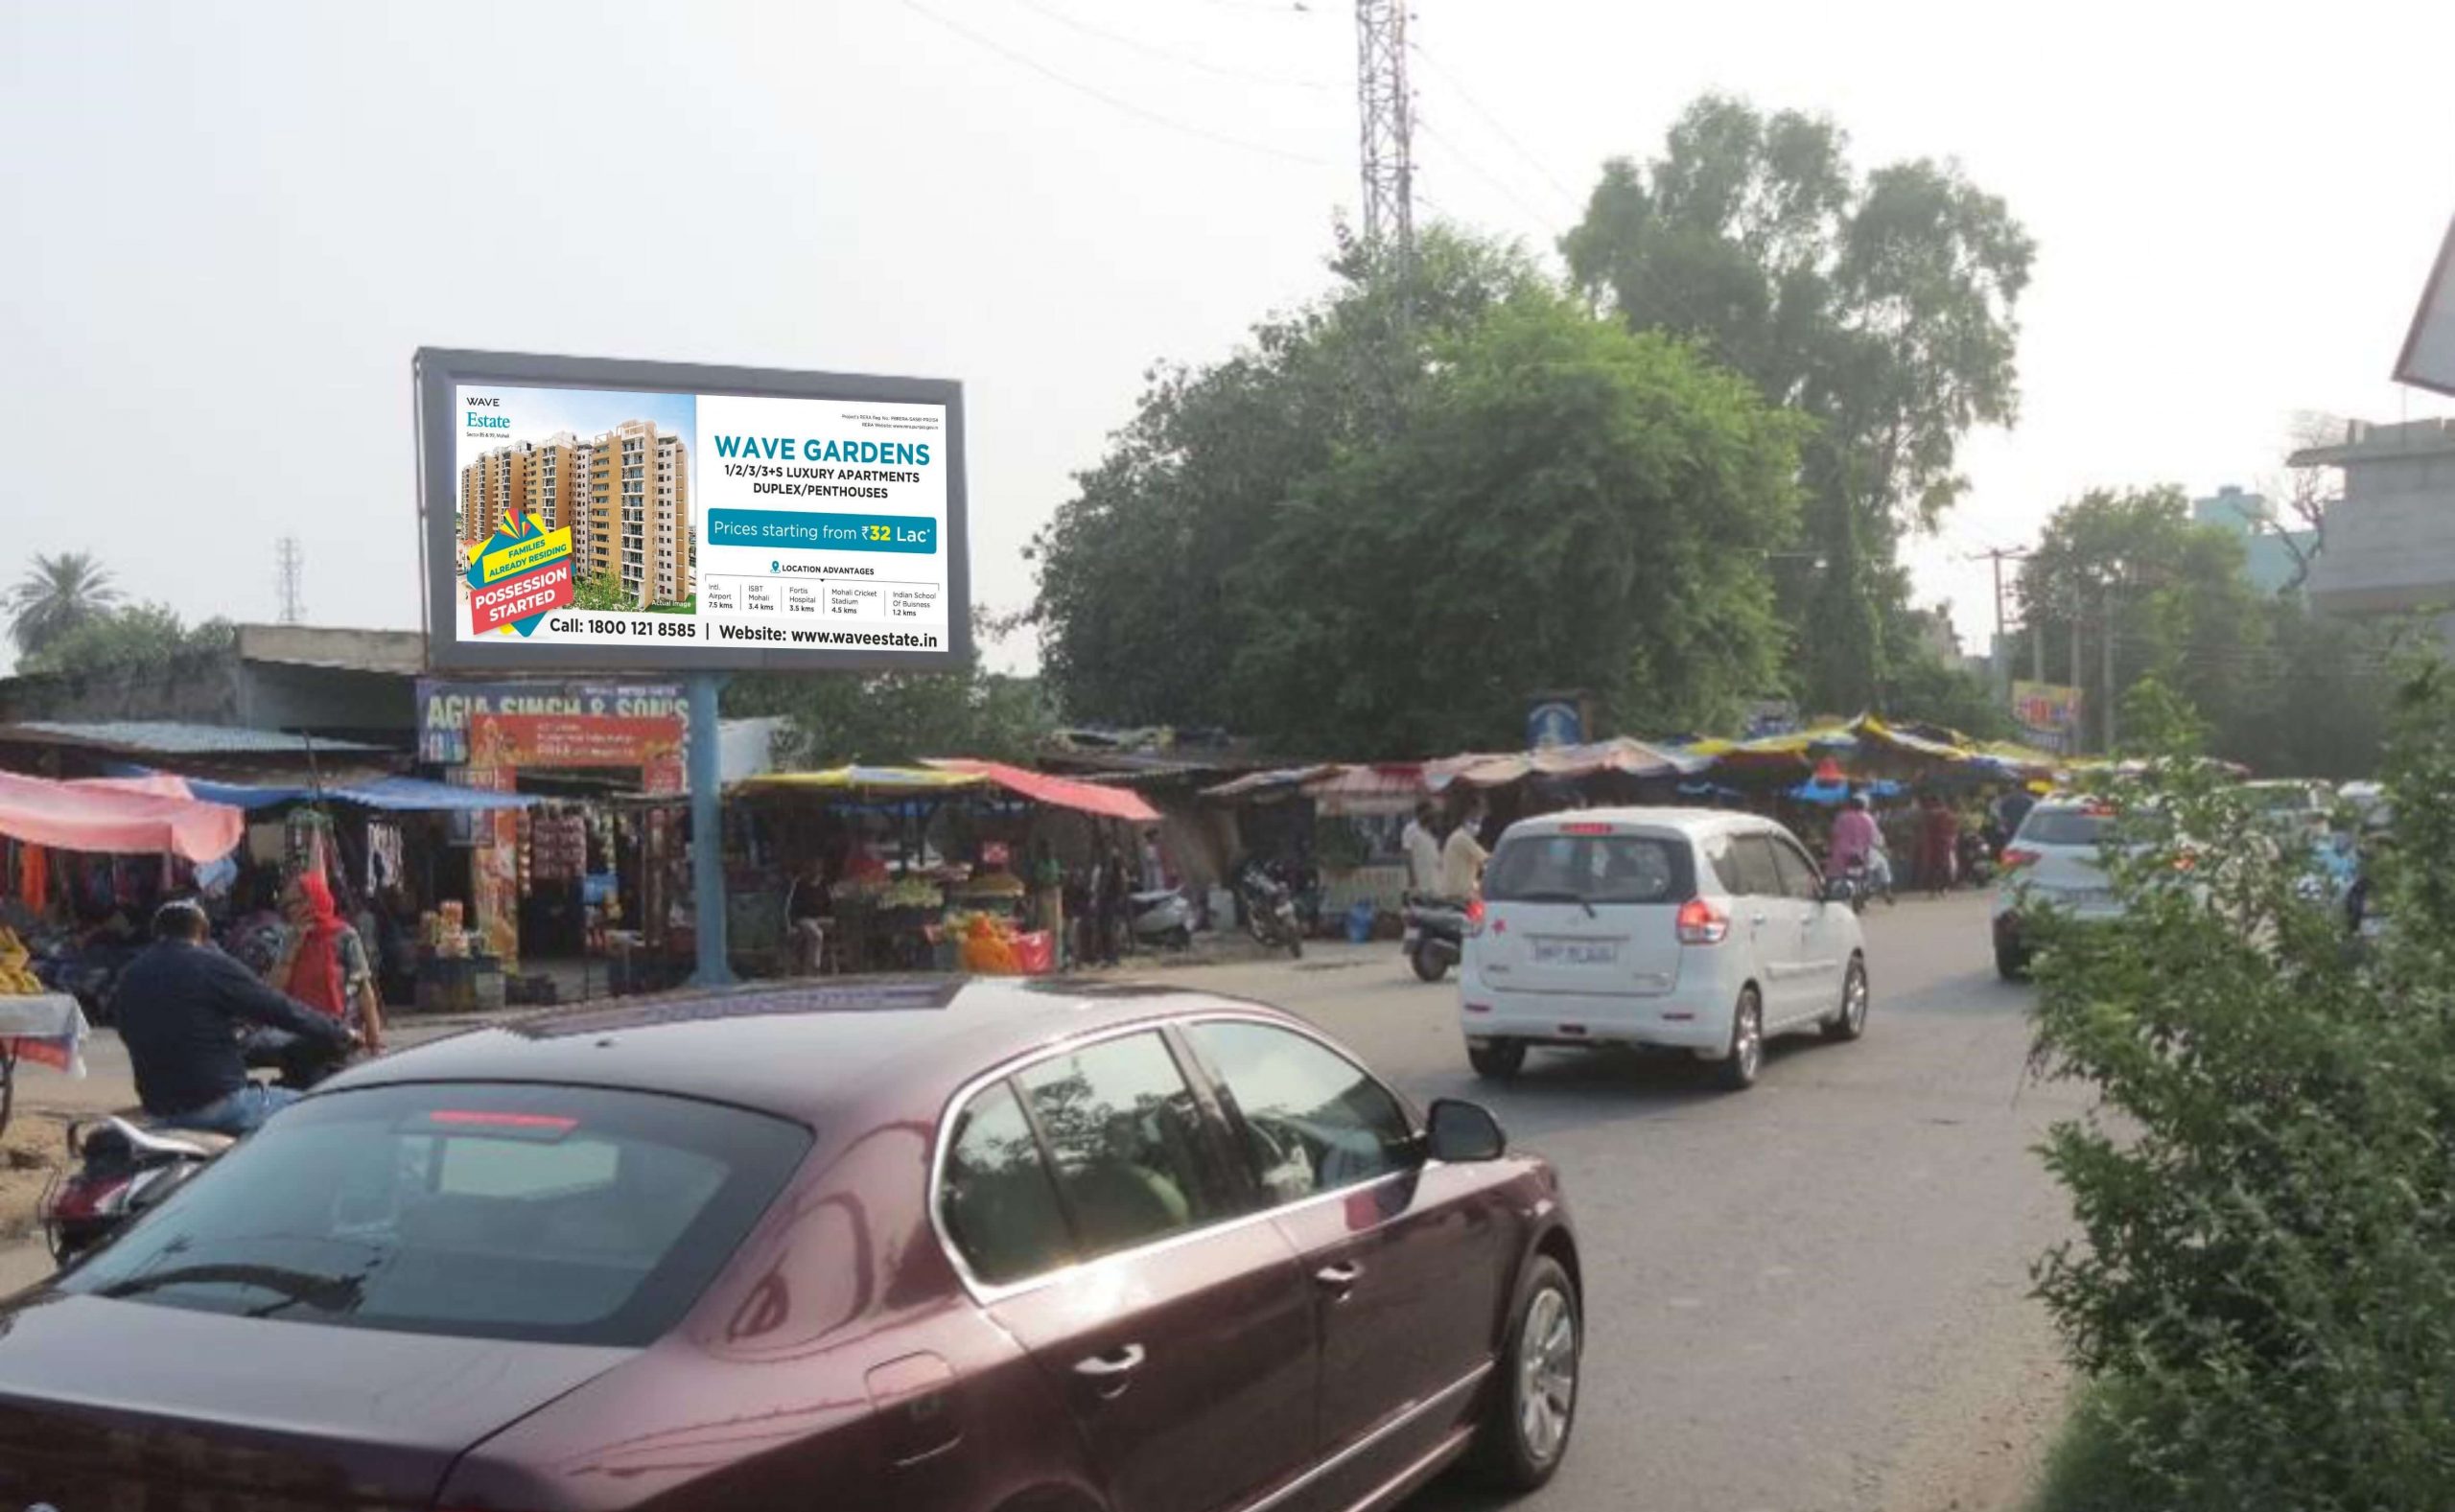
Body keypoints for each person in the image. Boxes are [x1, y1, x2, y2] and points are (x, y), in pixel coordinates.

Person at [115, 899, 357, 1134]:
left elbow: (129, 1030)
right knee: (322, 1107)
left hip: (159, 1112)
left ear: (157, 933)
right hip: (220, 1106)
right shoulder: (209, 964)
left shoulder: (129, 975)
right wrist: (338, 1031)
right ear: (202, 934)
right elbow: (277, 1008)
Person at [267, 871, 386, 1055]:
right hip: (300, 1033)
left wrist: (374, 1039)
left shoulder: (345, 936)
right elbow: (274, 990)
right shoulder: (288, 938)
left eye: (297, 902)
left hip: (342, 1033)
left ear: (314, 900)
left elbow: (363, 989)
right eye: (288, 905)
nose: (292, 910)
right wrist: (293, 949)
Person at [1828, 794, 1890, 899]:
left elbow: (1834, 833)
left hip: (1842, 854)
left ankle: (1830, 892)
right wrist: (1880, 845)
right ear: (1865, 805)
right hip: (1862, 853)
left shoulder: (1842, 817)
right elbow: (1875, 837)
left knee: (1834, 874)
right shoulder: (1868, 819)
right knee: (1882, 863)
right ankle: (1886, 889)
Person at [1440, 803, 1490, 900]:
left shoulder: (1462, 837)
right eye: (1474, 822)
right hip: (1459, 892)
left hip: (1460, 889)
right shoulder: (1462, 838)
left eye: (1479, 823)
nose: (1477, 826)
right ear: (1466, 821)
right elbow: (1484, 858)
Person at [1920, 795, 1961, 896]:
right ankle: (1943, 888)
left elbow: (1924, 829)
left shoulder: (1930, 814)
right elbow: (1954, 828)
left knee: (1933, 867)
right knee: (1944, 865)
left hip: (1934, 844)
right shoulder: (1948, 814)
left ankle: (1933, 889)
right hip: (1944, 843)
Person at [1401, 802, 1443, 896]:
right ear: (1420, 814)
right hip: (1419, 878)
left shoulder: (1431, 830)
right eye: (1429, 813)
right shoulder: (1410, 829)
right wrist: (1411, 876)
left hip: (1434, 878)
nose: (1432, 817)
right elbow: (1407, 853)